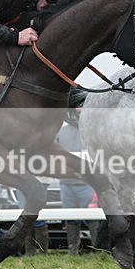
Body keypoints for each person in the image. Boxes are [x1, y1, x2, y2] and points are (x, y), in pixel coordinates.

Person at [55, 108, 96, 255]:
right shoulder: (61, 132)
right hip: (66, 183)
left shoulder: (90, 131)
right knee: (71, 218)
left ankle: (95, 248)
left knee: (92, 217)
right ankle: (73, 250)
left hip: (87, 184)